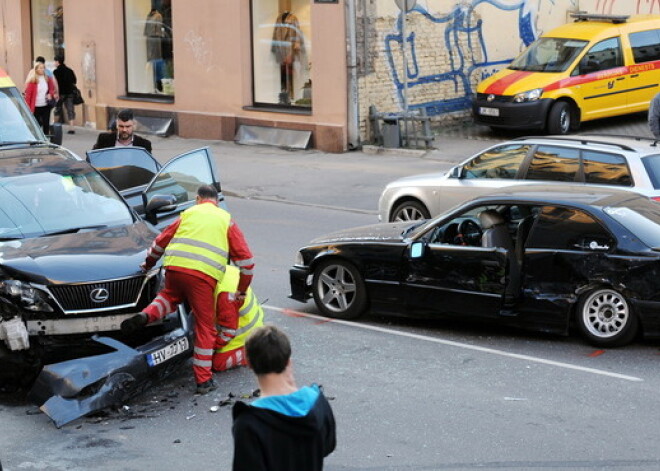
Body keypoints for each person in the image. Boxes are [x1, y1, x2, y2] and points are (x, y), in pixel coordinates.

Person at [121, 185, 254, 394]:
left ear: (198, 199)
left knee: (168, 297)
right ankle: (203, 381)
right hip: (202, 276)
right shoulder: (225, 219)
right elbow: (246, 262)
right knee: (205, 326)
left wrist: (147, 265)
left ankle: (146, 316)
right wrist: (242, 289)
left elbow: (160, 242)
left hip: (174, 268)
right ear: (216, 201)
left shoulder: (188, 214)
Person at [232, 325, 336, 471]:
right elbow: (327, 446)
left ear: (248, 363)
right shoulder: (317, 402)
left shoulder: (249, 424)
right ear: (288, 361)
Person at [212, 265, 264, 373]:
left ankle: (251, 353)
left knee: (218, 364)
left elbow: (228, 331)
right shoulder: (228, 269)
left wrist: (212, 346)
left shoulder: (225, 294)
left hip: (243, 334)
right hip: (249, 323)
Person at [24, 61, 57, 135]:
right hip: (35, 107)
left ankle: (46, 140)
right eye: (40, 68)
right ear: (36, 69)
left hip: (45, 105)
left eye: (43, 68)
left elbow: (52, 89)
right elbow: (28, 96)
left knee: (46, 124)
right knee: (37, 125)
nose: (42, 69)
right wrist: (28, 108)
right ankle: (37, 139)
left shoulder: (47, 79)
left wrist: (50, 94)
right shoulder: (32, 81)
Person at [53, 55, 78, 134]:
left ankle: (54, 127)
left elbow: (54, 83)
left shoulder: (56, 72)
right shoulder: (69, 70)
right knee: (70, 110)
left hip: (60, 93)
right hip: (69, 93)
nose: (54, 63)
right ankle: (72, 128)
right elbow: (74, 81)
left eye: (55, 61)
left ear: (57, 62)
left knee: (57, 109)